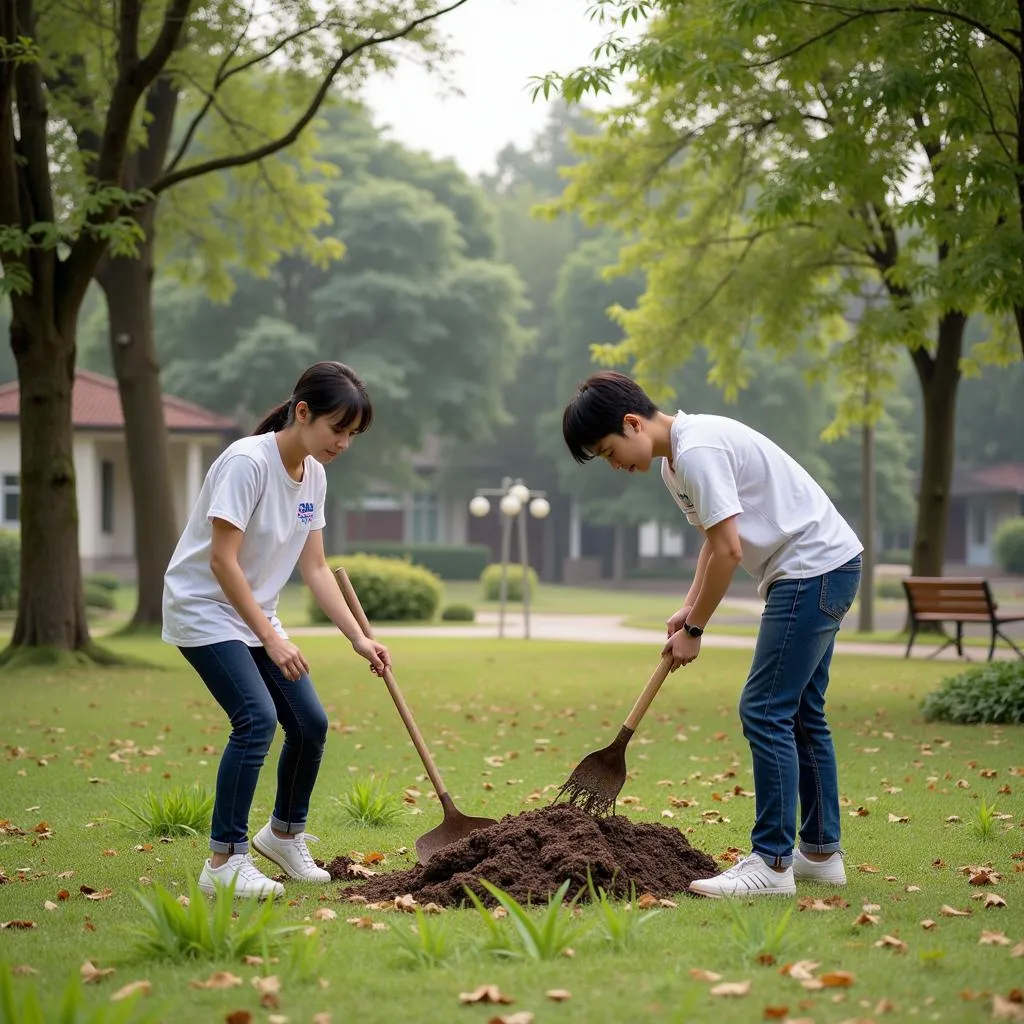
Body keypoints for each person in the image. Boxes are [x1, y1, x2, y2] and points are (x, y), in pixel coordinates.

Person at [562, 371, 863, 898]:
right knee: (800, 713)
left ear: (632, 423)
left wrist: (698, 628)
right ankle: (819, 852)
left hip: (811, 568)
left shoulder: (698, 450)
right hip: (825, 565)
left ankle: (770, 864)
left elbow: (731, 551)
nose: (615, 465)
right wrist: (688, 607)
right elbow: (712, 542)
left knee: (765, 708)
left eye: (610, 451)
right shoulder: (675, 464)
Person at [162, 361, 391, 898]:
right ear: (302, 411)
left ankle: (283, 836)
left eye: (352, 434)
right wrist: (270, 636)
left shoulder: (314, 473)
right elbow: (222, 561)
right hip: (204, 609)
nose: (344, 443)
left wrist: (358, 637)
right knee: (256, 720)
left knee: (310, 723)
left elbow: (314, 566)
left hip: (255, 617)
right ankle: (224, 860)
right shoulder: (248, 462)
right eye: (338, 429)